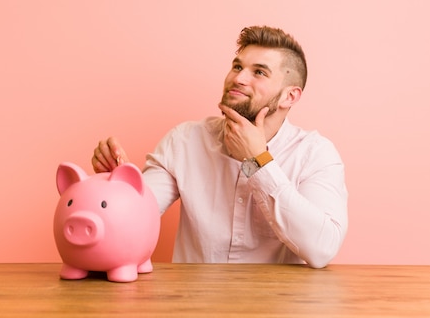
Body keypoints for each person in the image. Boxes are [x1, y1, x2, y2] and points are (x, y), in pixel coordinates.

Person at [91, 25, 348, 269]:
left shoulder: (316, 154)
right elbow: (134, 218)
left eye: (259, 72)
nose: (239, 78)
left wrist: (257, 162)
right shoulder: (185, 141)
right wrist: (119, 189)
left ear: (289, 96)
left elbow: (321, 249)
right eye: (237, 66)